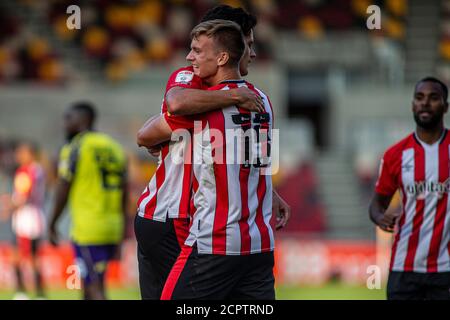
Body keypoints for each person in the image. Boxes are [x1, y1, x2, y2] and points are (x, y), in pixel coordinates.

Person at [134, 4, 290, 300]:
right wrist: (231, 95)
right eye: (249, 44)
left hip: (204, 219)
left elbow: (251, 155)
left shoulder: (252, 97)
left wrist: (268, 191)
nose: (253, 53)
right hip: (173, 215)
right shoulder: (192, 81)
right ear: (229, 48)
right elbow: (147, 133)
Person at [369, 77, 450, 300]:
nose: (425, 103)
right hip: (404, 269)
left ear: (445, 106)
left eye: (433, 98)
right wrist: (380, 217)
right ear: (412, 105)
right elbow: (377, 204)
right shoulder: (395, 155)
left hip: (445, 270)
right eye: (419, 98)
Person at [48, 102, 128, 300]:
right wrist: (123, 225)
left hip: (89, 227)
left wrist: (52, 223)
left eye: (69, 118)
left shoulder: (76, 147)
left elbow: (63, 187)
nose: (65, 124)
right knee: (89, 282)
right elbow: (125, 190)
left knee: (95, 285)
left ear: (84, 120)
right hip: (112, 225)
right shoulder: (114, 147)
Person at [0, 141, 46, 300]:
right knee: (19, 255)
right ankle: (27, 291)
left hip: (29, 218)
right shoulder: (32, 170)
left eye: (22, 152)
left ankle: (33, 292)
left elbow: (23, 196)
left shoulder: (30, 170)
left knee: (29, 257)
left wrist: (8, 206)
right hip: (22, 217)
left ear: (30, 153)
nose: (18, 155)